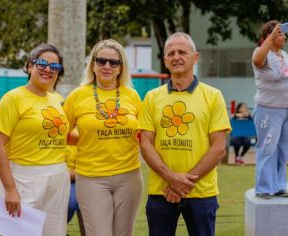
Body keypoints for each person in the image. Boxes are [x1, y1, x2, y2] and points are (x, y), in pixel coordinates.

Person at [138, 32, 231, 236]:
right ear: (165, 61)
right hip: (161, 192)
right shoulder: (152, 98)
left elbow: (218, 148)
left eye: (182, 52)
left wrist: (182, 184)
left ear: (195, 57)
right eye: (171, 53)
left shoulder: (213, 96)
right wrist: (170, 177)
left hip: (202, 193)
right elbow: (145, 143)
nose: (176, 57)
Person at [63, 39, 143, 236]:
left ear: (120, 68)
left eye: (113, 62)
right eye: (101, 61)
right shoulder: (78, 96)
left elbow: (143, 134)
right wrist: (85, 140)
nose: (107, 66)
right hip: (91, 178)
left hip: (129, 176)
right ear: (93, 65)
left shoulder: (132, 96)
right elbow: (60, 133)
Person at [0, 44, 70, 236]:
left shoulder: (57, 99)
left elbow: (62, 136)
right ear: (29, 65)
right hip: (23, 179)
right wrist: (10, 189)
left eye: (54, 67)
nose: (48, 69)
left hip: (58, 176)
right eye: (42, 63)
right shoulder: (13, 98)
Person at [252, 20, 288, 199]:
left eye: (282, 33)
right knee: (267, 148)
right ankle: (264, 187)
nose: (283, 36)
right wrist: (272, 34)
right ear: (269, 35)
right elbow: (258, 61)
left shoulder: (285, 55)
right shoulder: (262, 54)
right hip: (268, 110)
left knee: (283, 149)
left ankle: (280, 185)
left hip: (285, 111)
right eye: (279, 33)